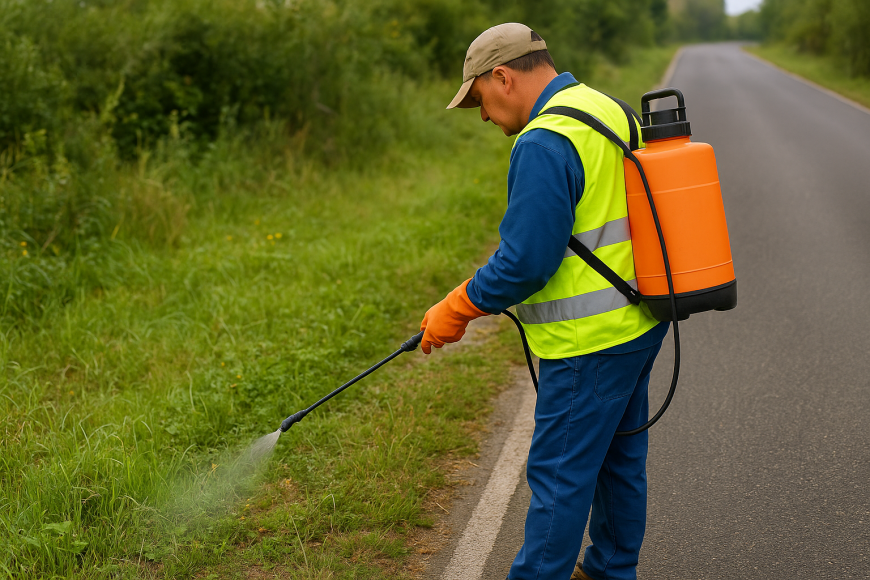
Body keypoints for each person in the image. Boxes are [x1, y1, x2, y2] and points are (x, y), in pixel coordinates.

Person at [418, 23, 670, 580]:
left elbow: (526, 262)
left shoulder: (543, 141)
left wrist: (456, 308)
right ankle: (609, 569)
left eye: (479, 99)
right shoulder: (608, 109)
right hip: (639, 323)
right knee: (618, 462)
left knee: (559, 474)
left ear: (501, 77)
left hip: (587, 344)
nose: (482, 116)